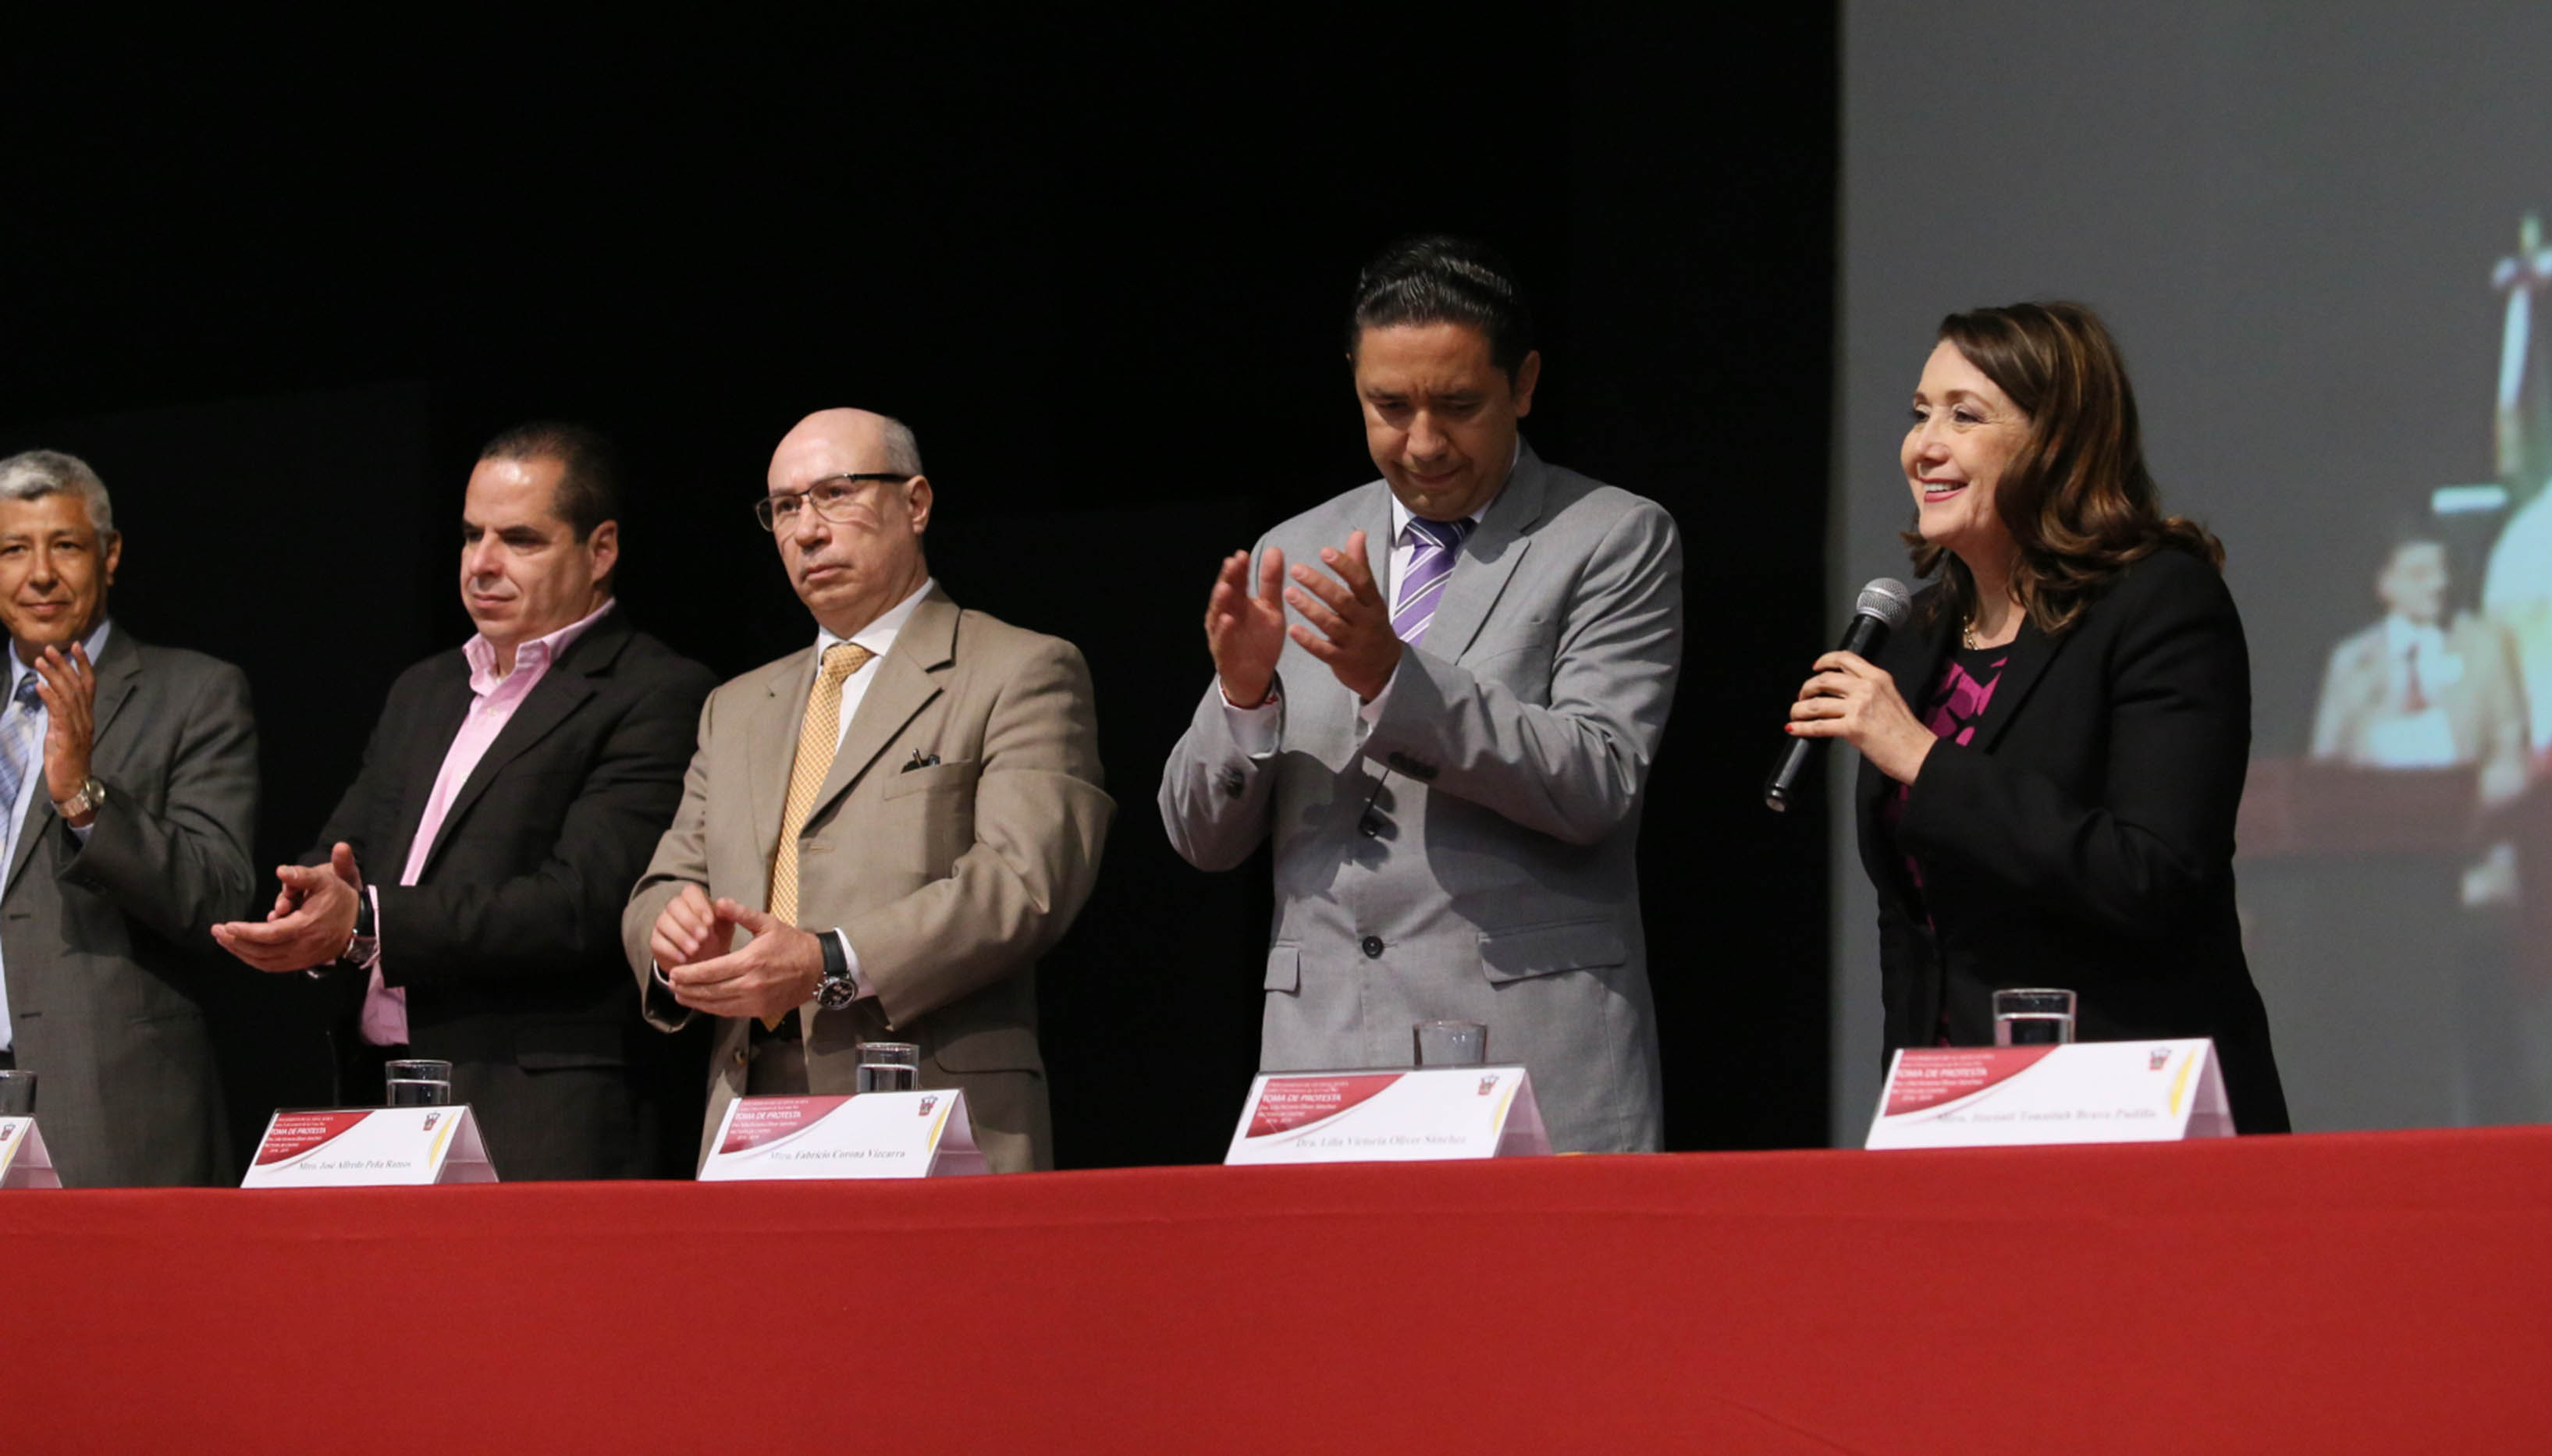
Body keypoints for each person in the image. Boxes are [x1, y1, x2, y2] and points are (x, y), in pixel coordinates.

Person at [1160, 238, 1684, 1153]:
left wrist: (1393, 679)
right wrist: (1243, 697)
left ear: (1524, 384)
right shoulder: (1300, 546)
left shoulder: (1611, 535)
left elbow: (1597, 781)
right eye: (1390, 407)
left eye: (1459, 405)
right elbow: (1200, 838)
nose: (1425, 443)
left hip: (1529, 1059)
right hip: (1326, 1060)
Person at [1787, 300, 2289, 1133]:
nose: (1924, 446)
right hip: (1952, 1112)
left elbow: (2154, 875)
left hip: (2130, 1107)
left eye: (1964, 416)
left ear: (2057, 441)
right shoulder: (1915, 637)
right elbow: (1913, 931)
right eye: (1919, 413)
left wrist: (1924, 760)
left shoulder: (2159, 603)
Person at [214, 425, 716, 1179]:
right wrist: (316, 906)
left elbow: (580, 904)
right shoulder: (424, 689)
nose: (482, 563)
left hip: (538, 1115)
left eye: (520, 539)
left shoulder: (656, 691)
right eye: (472, 535)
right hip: (381, 1098)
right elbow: (349, 852)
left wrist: (370, 921)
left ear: (601, 550)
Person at [624, 409, 1111, 1174]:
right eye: (785, 507)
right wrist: (671, 937)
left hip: (930, 1106)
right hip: (751, 1112)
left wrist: (828, 961)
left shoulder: (1019, 669)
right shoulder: (736, 706)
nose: (807, 531)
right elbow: (663, 884)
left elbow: (1024, 884)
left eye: (835, 494)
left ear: (915, 503)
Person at [0, 449, 256, 1185]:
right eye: (14, 549)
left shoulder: (195, 693)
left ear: (109, 555)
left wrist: (83, 797)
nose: (39, 574)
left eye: (65, 545)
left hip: (106, 1106)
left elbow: (218, 896)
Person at [2310, 529, 2530, 808]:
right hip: (2375, 822)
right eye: (2419, 574)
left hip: (2465, 818)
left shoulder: (2484, 647)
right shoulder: (2352, 661)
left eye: (2442, 571)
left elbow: (2511, 749)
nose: (2437, 584)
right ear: (2385, 585)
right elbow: (2325, 764)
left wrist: (2469, 802)